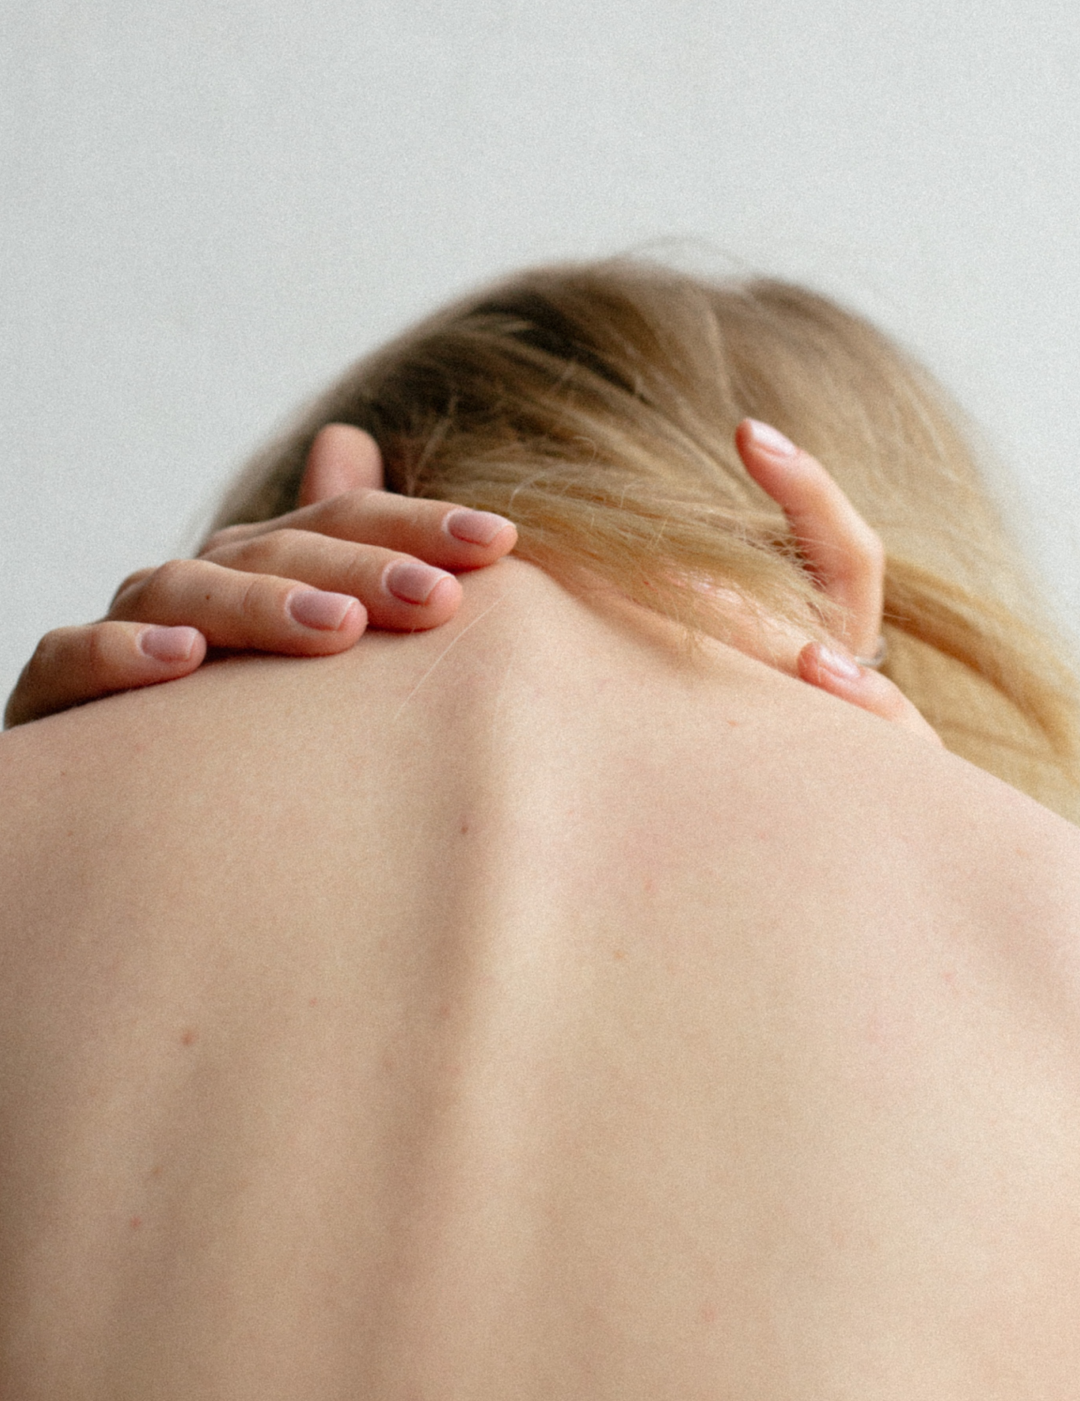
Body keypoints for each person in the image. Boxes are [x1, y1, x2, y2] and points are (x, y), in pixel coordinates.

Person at [2, 258, 1080, 1397]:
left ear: (295, 520)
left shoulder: (34, 815)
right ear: (881, 598)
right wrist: (961, 846)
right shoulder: (1041, 925)